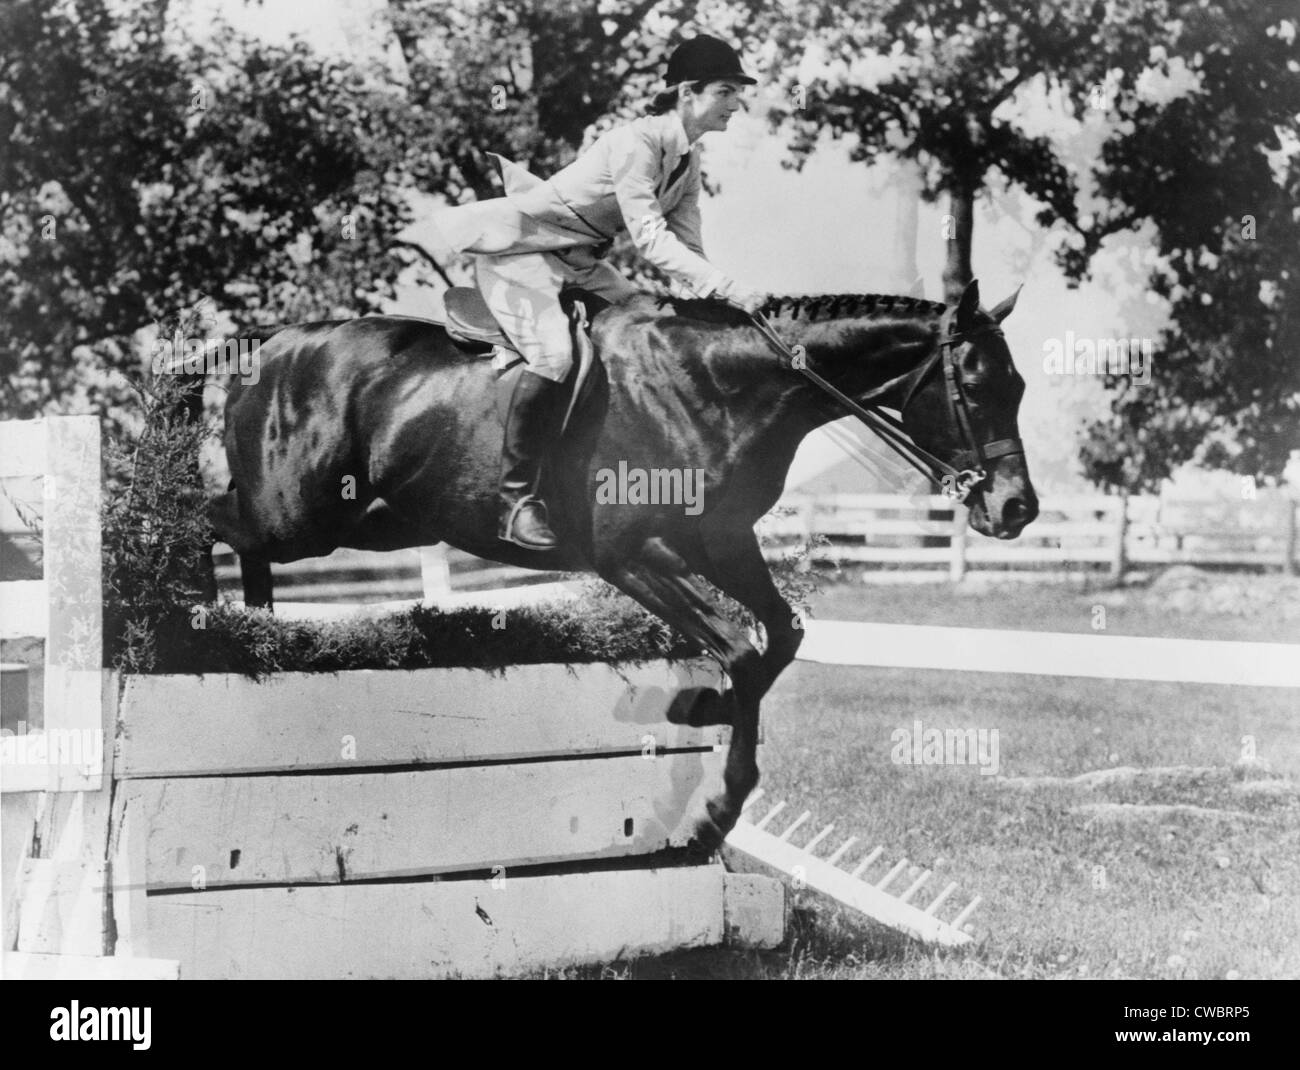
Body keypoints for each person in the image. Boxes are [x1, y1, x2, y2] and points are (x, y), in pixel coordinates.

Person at [435, 34, 767, 550]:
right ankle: (516, 500)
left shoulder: (687, 159)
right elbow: (651, 238)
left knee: (643, 325)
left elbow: (688, 246)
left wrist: (717, 299)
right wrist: (726, 287)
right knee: (555, 354)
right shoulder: (636, 143)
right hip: (521, 255)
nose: (736, 103)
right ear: (687, 92)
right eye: (725, 91)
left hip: (580, 263)